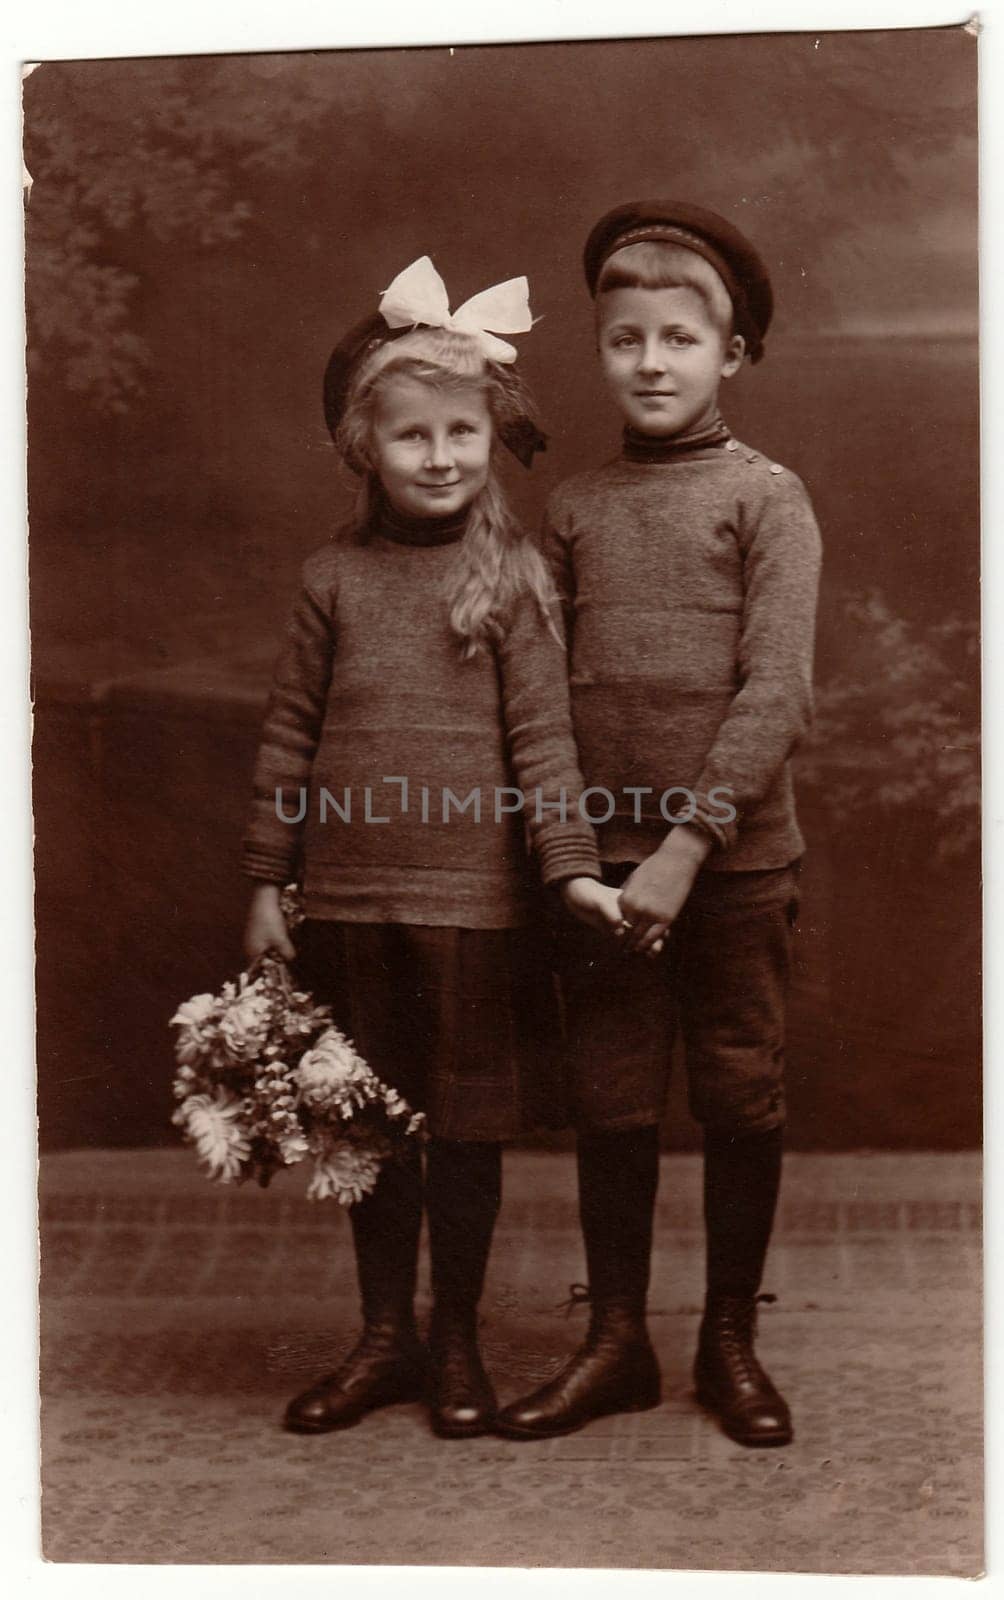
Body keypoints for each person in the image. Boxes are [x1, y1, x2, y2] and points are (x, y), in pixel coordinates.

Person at [241, 256, 618, 1440]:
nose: (442, 456)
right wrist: (267, 879)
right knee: (368, 1123)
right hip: (350, 896)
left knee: (458, 1129)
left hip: (471, 902)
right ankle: (383, 1337)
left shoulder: (509, 578)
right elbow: (289, 734)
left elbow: (545, 738)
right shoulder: (332, 579)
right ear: (365, 446)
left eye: (463, 431)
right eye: (413, 435)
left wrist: (566, 866)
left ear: (492, 438)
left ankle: (454, 1335)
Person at [495, 201, 822, 1448]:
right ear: (598, 352)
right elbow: (542, 692)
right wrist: (576, 861)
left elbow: (776, 689)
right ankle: (615, 1338)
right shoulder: (574, 506)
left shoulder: (767, 501)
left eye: (678, 339)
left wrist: (686, 847)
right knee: (610, 1095)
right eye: (623, 339)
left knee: (738, 1091)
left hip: (727, 869)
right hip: (600, 880)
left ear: (728, 354)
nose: (649, 362)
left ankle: (726, 1337)